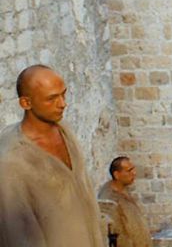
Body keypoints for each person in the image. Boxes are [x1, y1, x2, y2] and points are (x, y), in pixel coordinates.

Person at [0, 65, 104, 246]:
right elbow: (17, 235)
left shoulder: (64, 130)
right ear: (26, 103)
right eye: (52, 99)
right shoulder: (12, 161)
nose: (63, 103)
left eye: (63, 94)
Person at [98, 156, 152, 247]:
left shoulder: (124, 190)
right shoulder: (110, 199)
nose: (134, 173)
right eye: (129, 170)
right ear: (117, 175)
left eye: (133, 169)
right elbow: (116, 234)